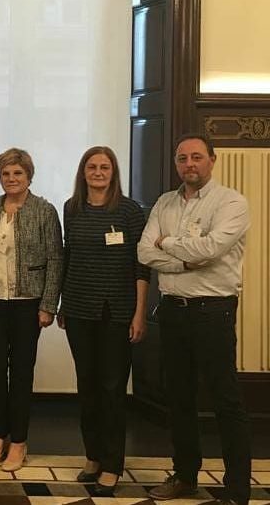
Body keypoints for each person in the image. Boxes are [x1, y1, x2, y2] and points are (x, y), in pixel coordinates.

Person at [138, 133, 251, 505]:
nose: (190, 164)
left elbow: (211, 249)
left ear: (212, 161)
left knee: (225, 399)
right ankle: (185, 475)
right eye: (182, 158)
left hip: (212, 312)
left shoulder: (232, 203)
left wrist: (167, 245)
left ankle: (237, 488)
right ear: (176, 164)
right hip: (172, 312)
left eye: (197, 157)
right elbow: (143, 251)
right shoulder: (164, 203)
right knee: (179, 398)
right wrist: (187, 258)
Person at [59, 146, 149, 495]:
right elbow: (69, 256)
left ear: (114, 173)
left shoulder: (129, 211)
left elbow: (141, 266)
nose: (98, 172)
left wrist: (140, 312)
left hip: (117, 312)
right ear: (83, 172)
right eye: (92, 167)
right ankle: (93, 456)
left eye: (104, 167)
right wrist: (64, 304)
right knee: (88, 386)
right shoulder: (72, 208)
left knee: (112, 389)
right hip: (79, 309)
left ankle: (113, 464)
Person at [0, 148, 62, 472]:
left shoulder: (44, 210)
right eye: (6, 174)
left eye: (17, 173)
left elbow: (55, 258)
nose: (11, 179)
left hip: (28, 304)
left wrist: (48, 305)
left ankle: (19, 441)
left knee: (21, 373)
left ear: (29, 176)